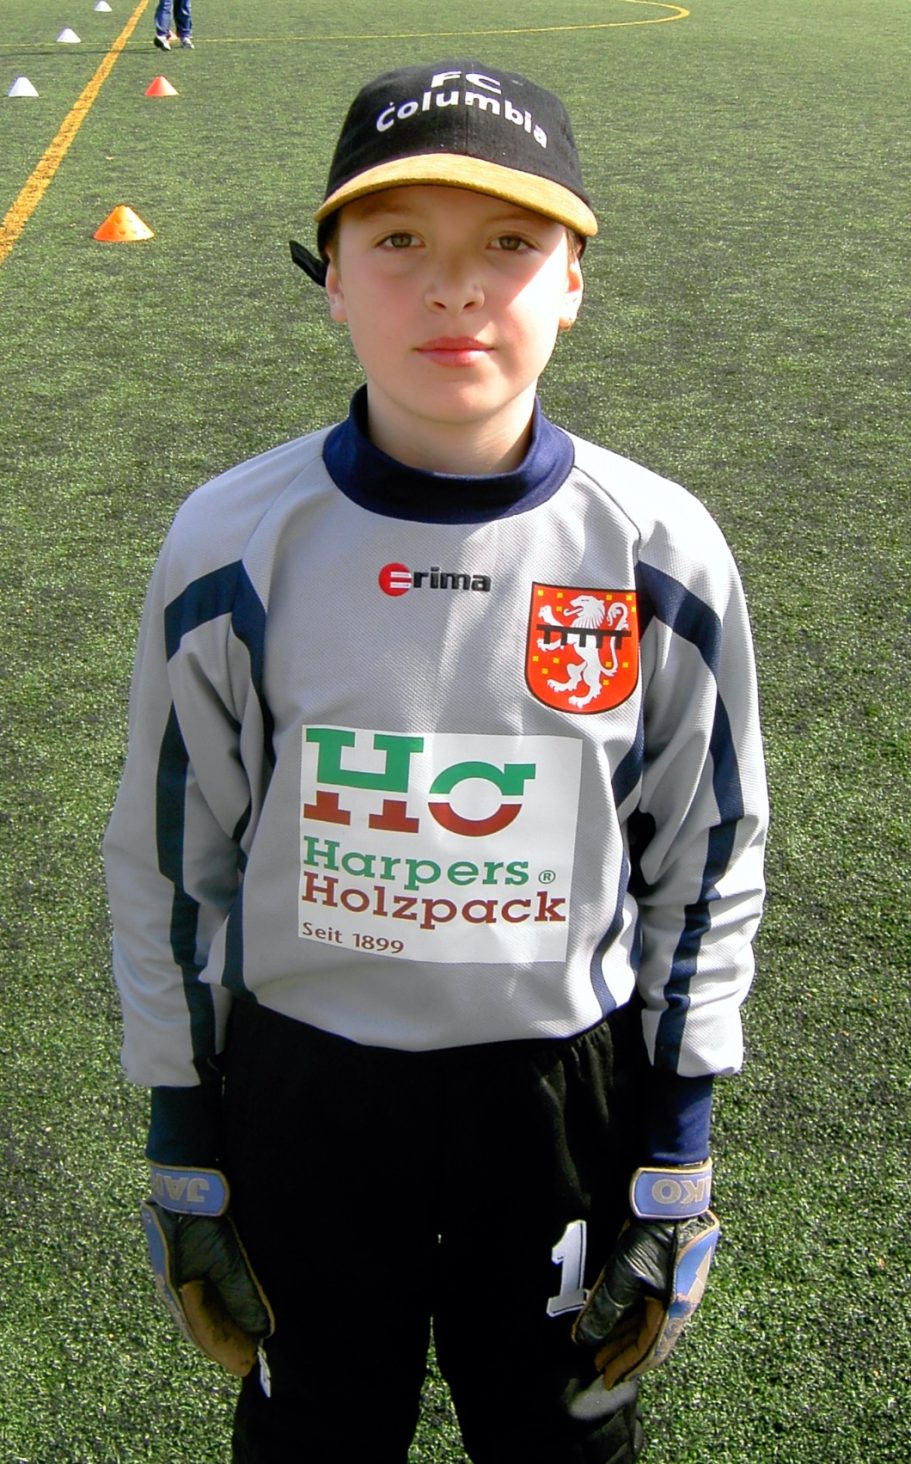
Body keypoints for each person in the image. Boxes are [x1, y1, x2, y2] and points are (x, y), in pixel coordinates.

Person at [104, 59, 769, 1464]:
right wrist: (182, 1132)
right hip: (307, 1093)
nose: (454, 289)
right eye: (399, 240)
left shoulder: (658, 549)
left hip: (559, 1098)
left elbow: (706, 858)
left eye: (509, 244)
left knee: (562, 1439)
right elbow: (172, 862)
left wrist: (678, 1142)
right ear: (332, 282)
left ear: (573, 280)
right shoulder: (231, 542)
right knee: (313, 1436)